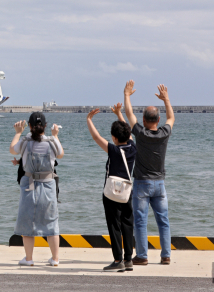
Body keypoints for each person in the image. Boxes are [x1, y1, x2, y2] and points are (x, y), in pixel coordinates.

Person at [123, 80, 175, 265]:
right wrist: (166, 99)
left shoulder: (140, 133)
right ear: (157, 121)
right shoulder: (164, 134)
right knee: (163, 221)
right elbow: (171, 118)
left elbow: (129, 114)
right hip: (160, 184)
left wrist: (127, 95)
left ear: (144, 120)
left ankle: (142, 256)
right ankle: (166, 255)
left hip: (142, 183)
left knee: (141, 221)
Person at [9, 112, 64, 266]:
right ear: (45, 126)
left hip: (29, 184)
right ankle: (55, 259)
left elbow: (13, 149)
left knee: (28, 220)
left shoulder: (25, 141)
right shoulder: (52, 141)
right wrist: (55, 135)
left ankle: (29, 258)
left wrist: (18, 133)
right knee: (51, 221)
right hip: (48, 183)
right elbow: (60, 154)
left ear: (30, 126)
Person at [86, 104, 136, 272]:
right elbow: (127, 132)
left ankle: (117, 260)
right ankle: (129, 259)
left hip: (111, 193)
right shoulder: (133, 148)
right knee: (128, 223)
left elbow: (96, 137)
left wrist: (89, 120)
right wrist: (119, 114)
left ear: (114, 138)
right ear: (128, 135)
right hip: (128, 192)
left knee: (114, 225)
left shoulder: (113, 150)